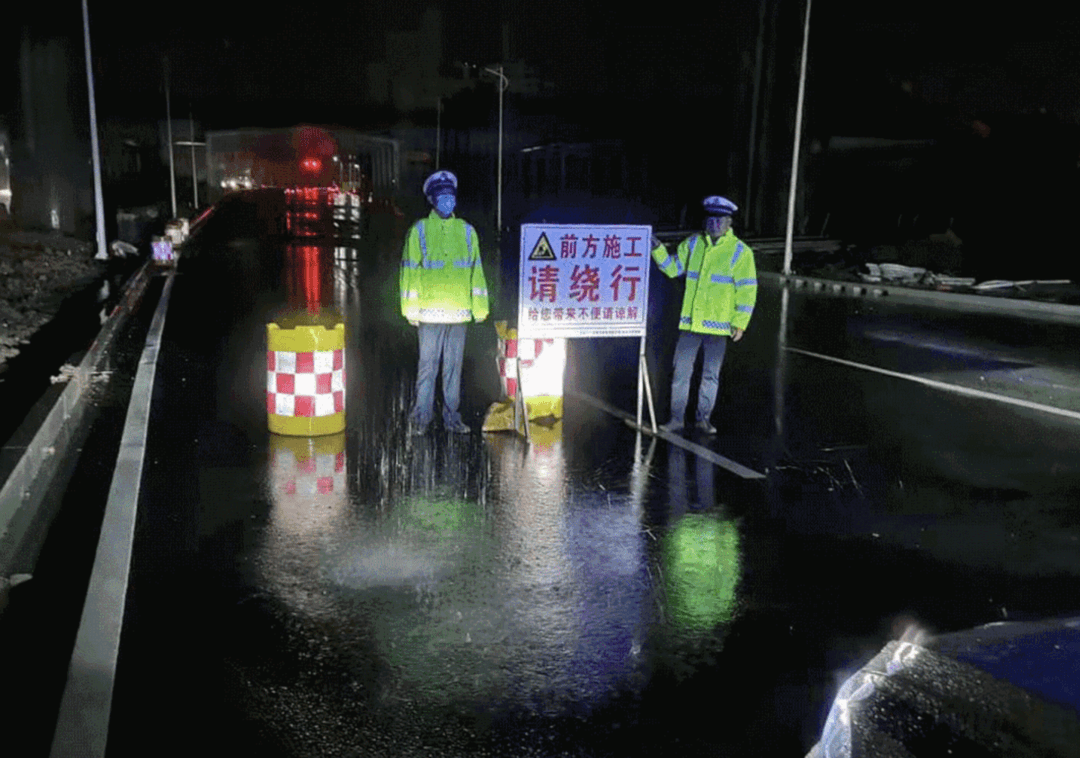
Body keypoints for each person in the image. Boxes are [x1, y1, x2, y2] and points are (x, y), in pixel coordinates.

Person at [650, 195, 757, 435]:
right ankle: (677, 419)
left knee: (710, 375)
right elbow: (672, 268)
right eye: (711, 219)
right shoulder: (693, 244)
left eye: (720, 220)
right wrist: (657, 249)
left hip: (719, 327)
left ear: (729, 222)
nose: (715, 224)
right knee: (681, 373)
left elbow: (747, 290)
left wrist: (739, 324)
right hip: (690, 324)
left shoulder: (740, 252)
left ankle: (703, 419)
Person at [401, 170, 489, 434]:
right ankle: (421, 419)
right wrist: (410, 309)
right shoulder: (419, 230)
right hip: (429, 314)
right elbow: (409, 270)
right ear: (432, 200)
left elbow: (477, 271)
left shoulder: (467, 231)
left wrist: (480, 308)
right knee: (428, 369)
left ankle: (452, 418)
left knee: (453, 369)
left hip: (459, 315)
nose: (447, 201)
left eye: (450, 196)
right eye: (442, 196)